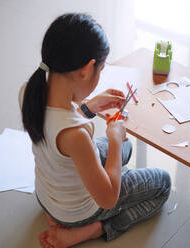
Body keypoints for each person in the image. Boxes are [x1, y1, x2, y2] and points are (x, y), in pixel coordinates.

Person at [19, 13, 171, 248]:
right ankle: (91, 230)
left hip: (47, 196)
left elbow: (56, 130)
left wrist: (89, 107)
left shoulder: (29, 92)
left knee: (126, 148)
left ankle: (58, 215)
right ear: (87, 69)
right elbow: (108, 198)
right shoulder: (76, 135)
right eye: (101, 69)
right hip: (77, 211)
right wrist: (115, 139)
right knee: (163, 183)